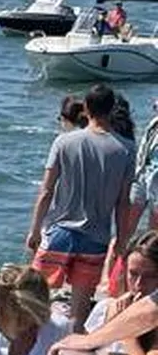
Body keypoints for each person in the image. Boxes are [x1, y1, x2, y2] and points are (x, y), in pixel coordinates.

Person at [27, 82, 136, 335]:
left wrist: (34, 230)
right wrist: (121, 239)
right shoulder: (126, 150)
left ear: (85, 108)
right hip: (95, 240)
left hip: (59, 233)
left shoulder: (64, 142)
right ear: (111, 110)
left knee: (32, 301)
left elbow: (46, 191)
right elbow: (123, 202)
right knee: (78, 314)